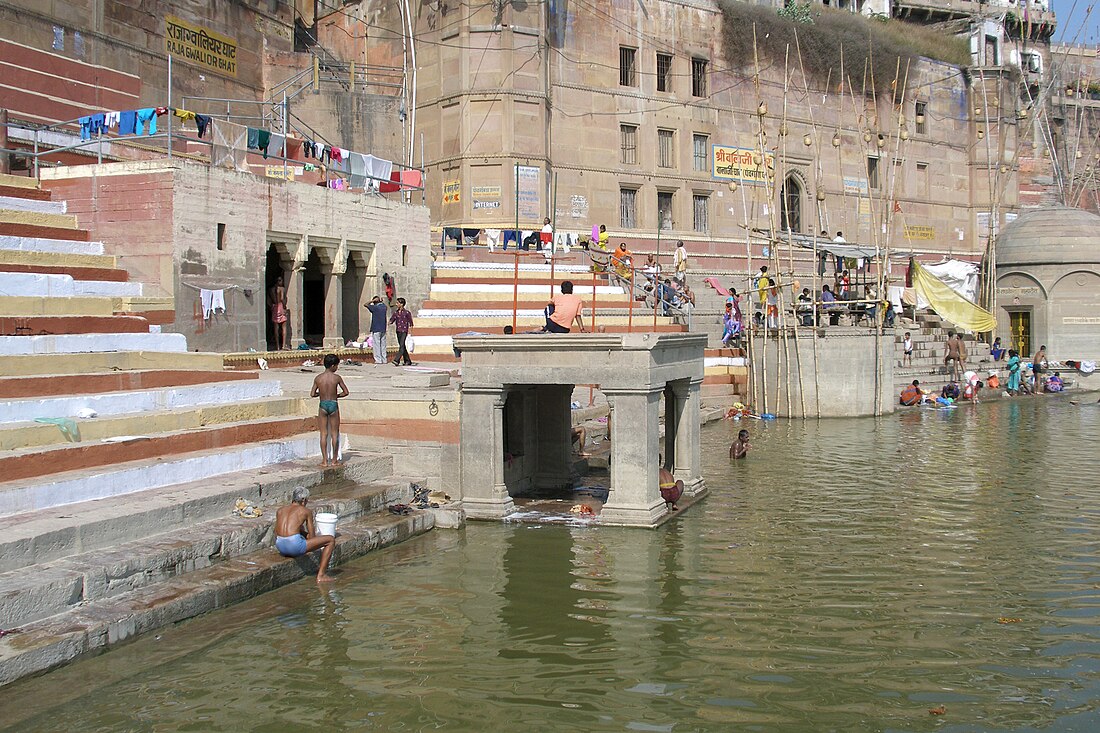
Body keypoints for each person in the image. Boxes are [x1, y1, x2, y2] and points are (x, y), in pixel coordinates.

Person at [274, 487, 336, 583]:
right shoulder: (305, 511)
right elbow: (312, 537)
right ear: (303, 500)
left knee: (300, 536)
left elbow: (276, 532)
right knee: (330, 540)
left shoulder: (280, 510)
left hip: (280, 546)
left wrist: (301, 532)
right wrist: (305, 534)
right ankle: (321, 575)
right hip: (294, 547)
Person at [310, 354, 349, 467]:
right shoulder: (336, 378)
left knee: (323, 434)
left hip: (322, 405)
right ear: (333, 366)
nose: (337, 368)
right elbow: (346, 392)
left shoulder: (318, 378)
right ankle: (334, 460)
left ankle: (324, 461)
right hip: (333, 404)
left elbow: (312, 394)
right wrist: (337, 395)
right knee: (334, 433)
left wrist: (320, 394)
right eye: (336, 365)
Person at [389, 297, 415, 366]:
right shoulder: (396, 312)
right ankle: (407, 360)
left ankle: (396, 360)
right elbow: (392, 319)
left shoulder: (406, 313)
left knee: (401, 346)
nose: (396, 304)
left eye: (398, 303)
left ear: (402, 304)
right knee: (402, 345)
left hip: (404, 330)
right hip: (398, 330)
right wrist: (389, 322)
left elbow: (411, 322)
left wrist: (410, 331)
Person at [364, 296, 389, 365]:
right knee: (383, 344)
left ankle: (378, 359)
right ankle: (384, 359)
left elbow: (365, 304)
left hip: (376, 328)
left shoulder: (375, 308)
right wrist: (380, 301)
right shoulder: (383, 307)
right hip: (383, 328)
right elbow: (385, 305)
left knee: (376, 344)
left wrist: (372, 301)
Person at [268, 275, 289, 351]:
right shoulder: (281, 289)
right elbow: (282, 298)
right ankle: (283, 345)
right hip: (280, 306)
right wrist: (284, 307)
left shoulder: (271, 290)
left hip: (274, 307)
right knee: (284, 327)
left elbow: (268, 300)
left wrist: (271, 307)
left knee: (276, 328)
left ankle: (277, 346)